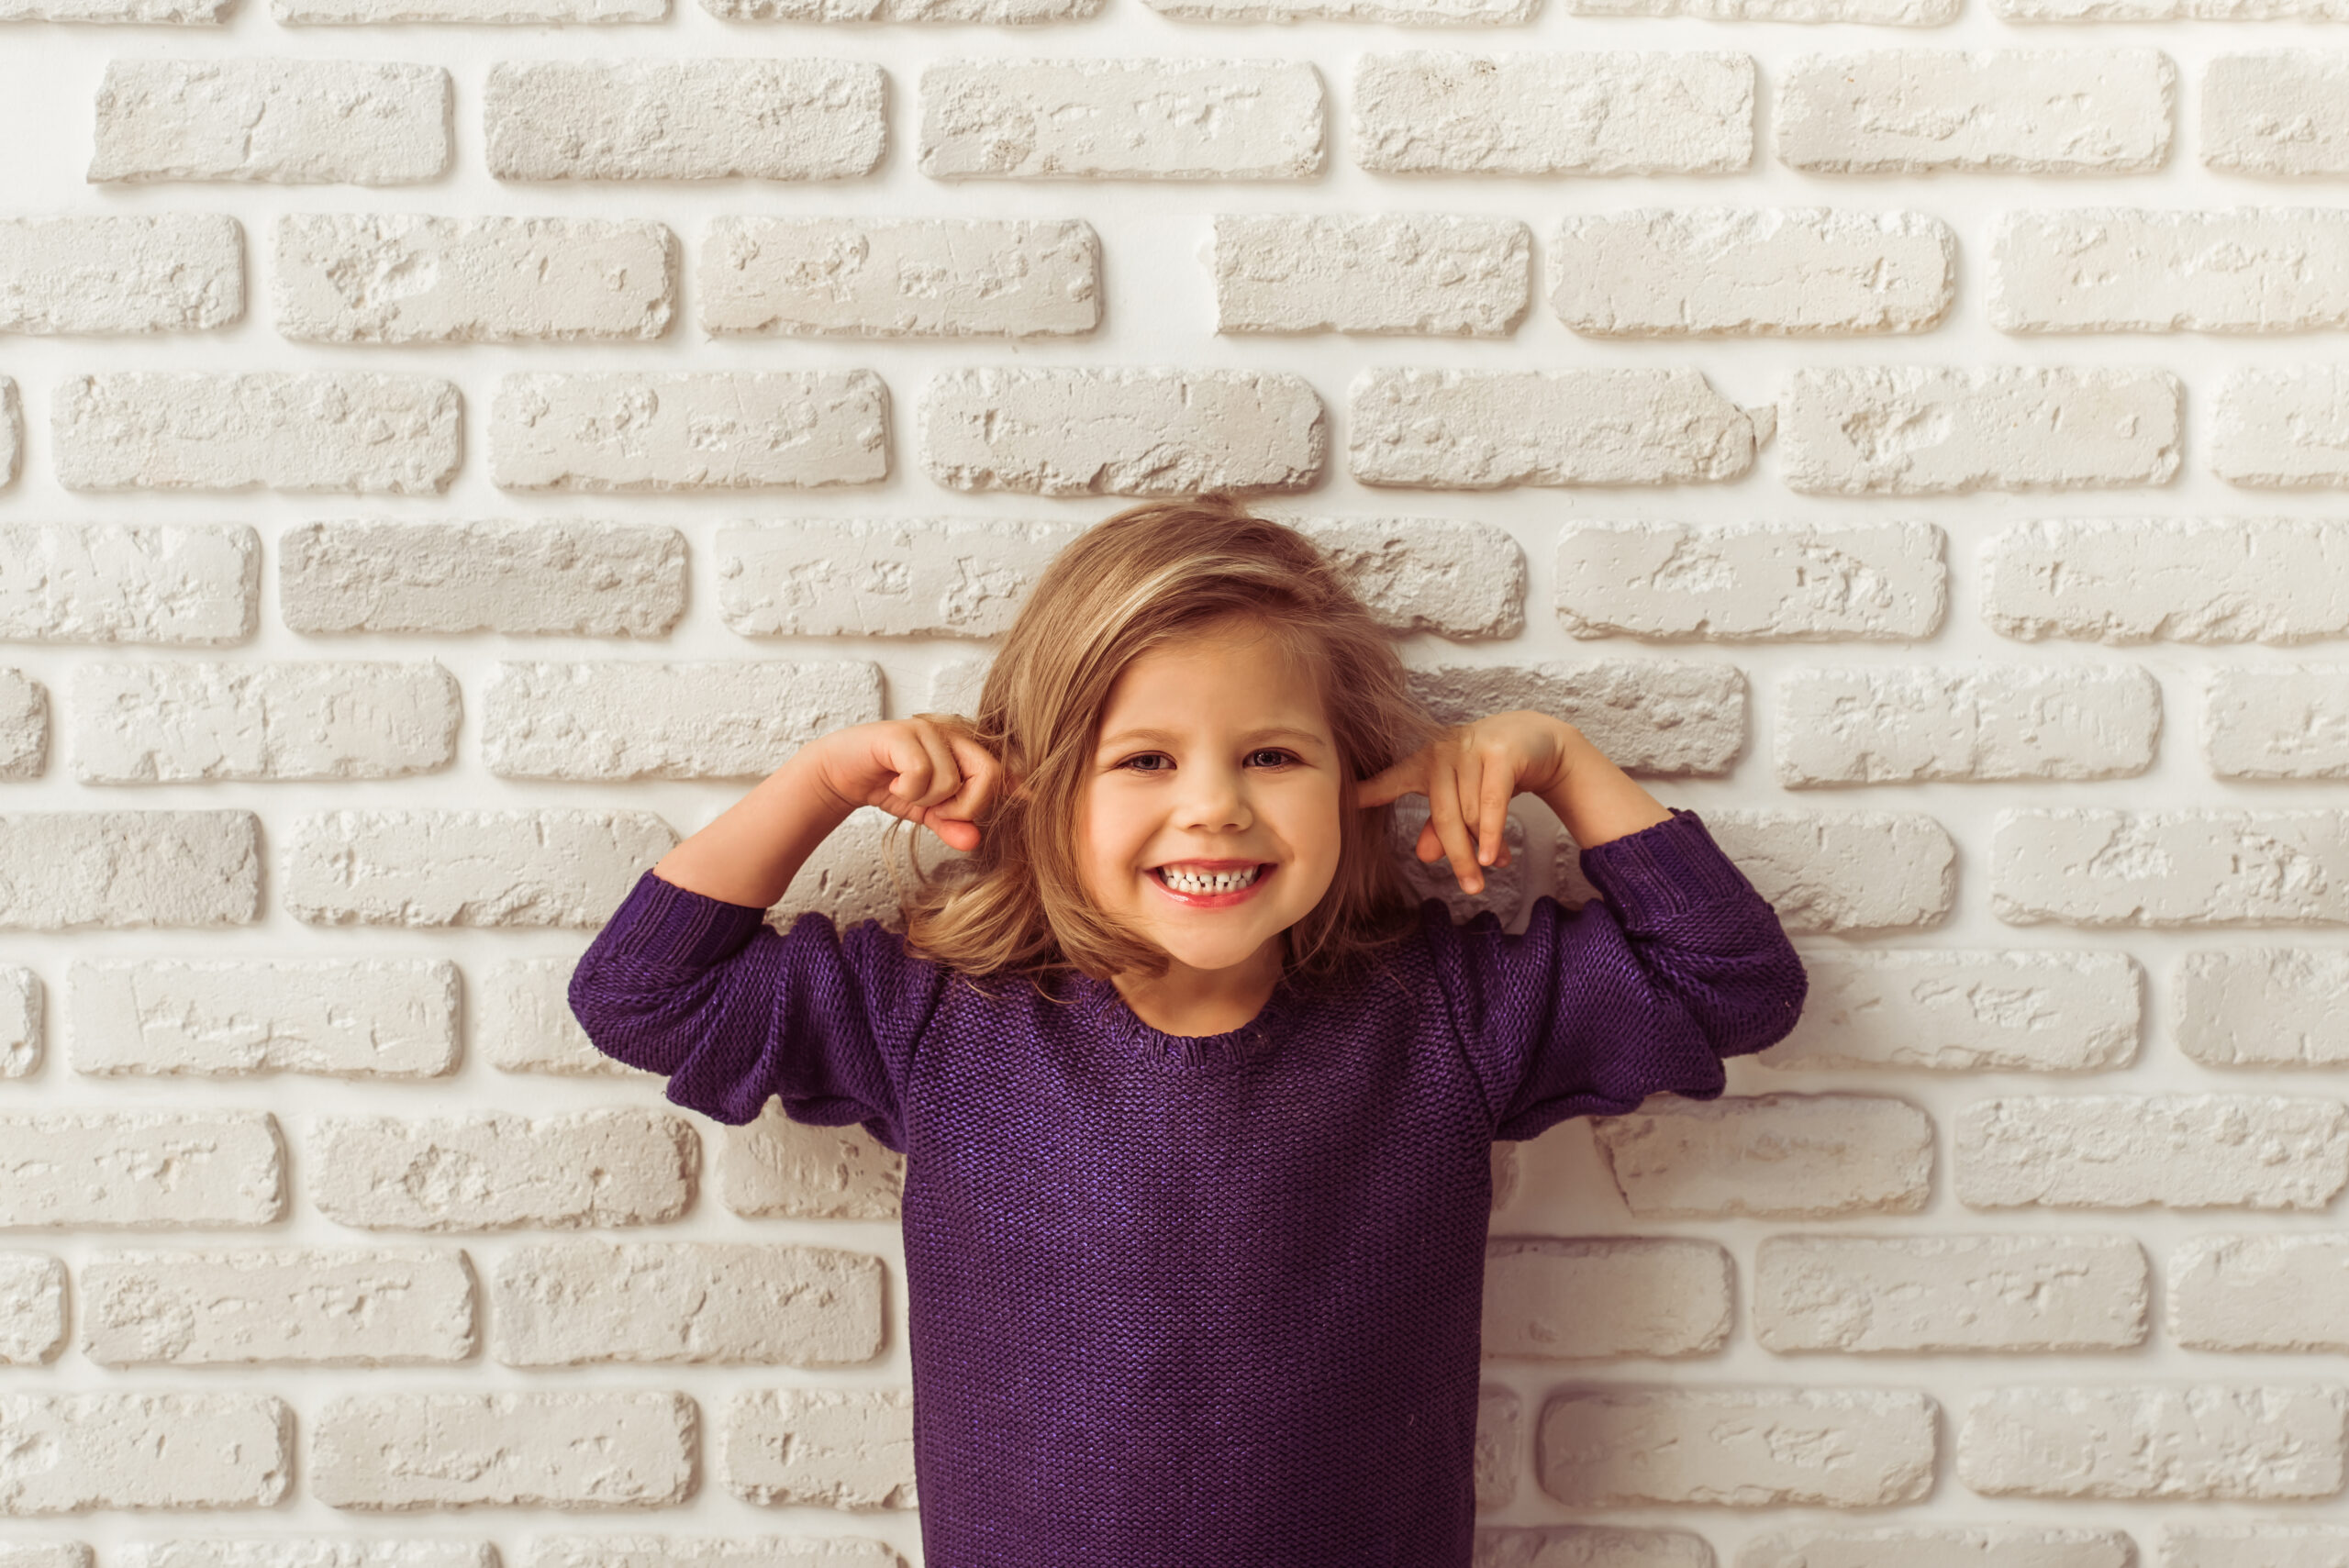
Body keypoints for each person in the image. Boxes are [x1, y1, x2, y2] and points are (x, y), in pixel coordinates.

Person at [566, 493, 1809, 1568]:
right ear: (1045, 787)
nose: (1213, 809)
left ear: (1353, 778)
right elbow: (642, 993)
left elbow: (1732, 983)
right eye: (1146, 760)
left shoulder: (1446, 1011)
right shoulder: (938, 1016)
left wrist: (1560, 761)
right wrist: (823, 784)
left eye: (1270, 753)